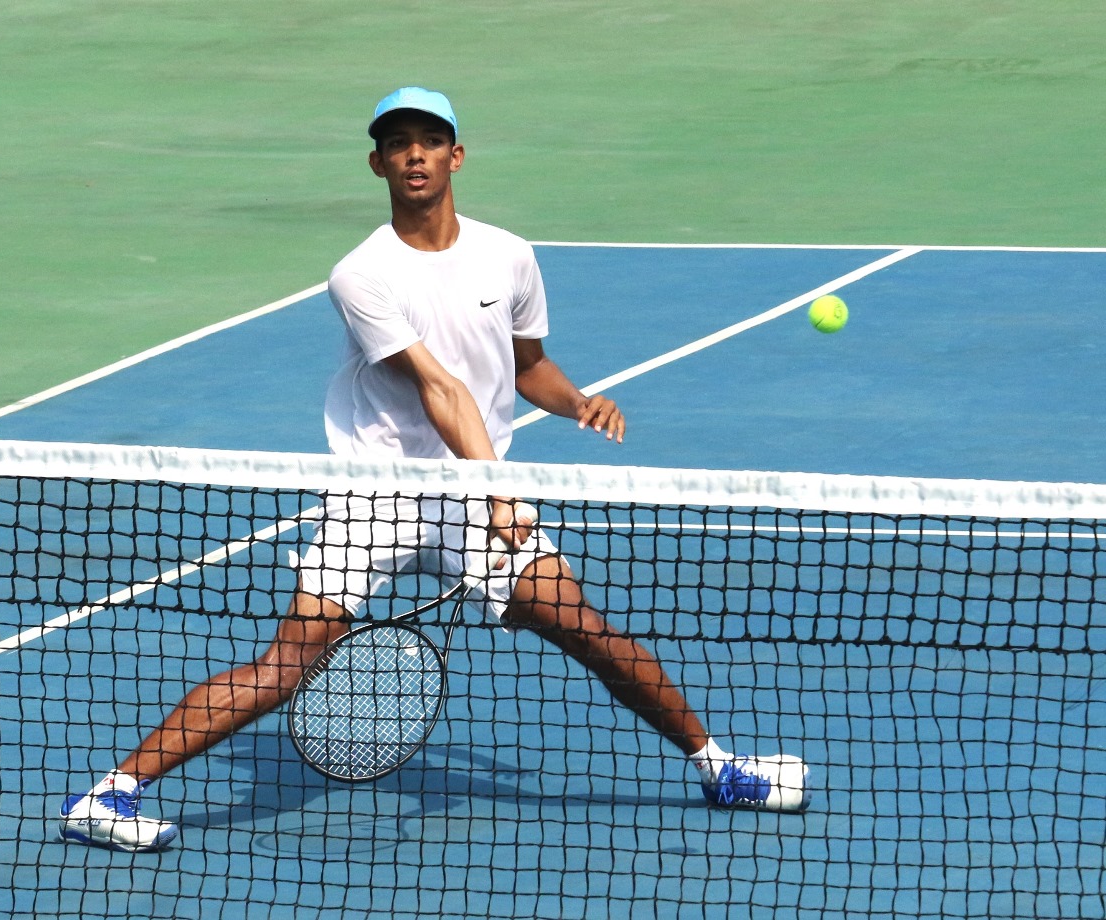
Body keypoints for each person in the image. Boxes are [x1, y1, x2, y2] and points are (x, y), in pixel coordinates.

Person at [58, 86, 810, 853]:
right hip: (379, 498)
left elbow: (528, 366)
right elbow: (440, 389)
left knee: (584, 628)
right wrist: (499, 491)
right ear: (377, 164)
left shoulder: (508, 256)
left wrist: (578, 401)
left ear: (457, 156)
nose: (414, 154)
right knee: (286, 665)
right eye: (398, 143)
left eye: (429, 140)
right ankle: (110, 794)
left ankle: (719, 769)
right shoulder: (362, 274)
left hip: (470, 499)